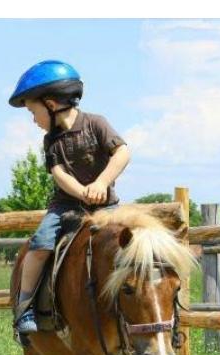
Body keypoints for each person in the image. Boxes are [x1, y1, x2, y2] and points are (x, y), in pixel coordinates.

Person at [9, 60, 131, 334]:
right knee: (40, 243)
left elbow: (122, 152)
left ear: (51, 104)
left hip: (105, 207)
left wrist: (101, 183)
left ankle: (133, 314)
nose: (33, 119)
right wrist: (82, 192)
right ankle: (25, 306)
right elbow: (58, 173)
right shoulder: (50, 140)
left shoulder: (96, 124)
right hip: (64, 207)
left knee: (127, 249)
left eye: (33, 110)